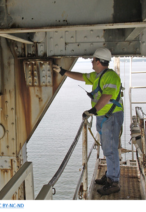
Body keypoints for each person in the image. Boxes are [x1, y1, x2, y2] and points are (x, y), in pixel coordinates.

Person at [53, 48, 124, 195]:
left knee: (110, 149)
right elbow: (81, 76)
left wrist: (92, 111)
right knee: (107, 147)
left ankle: (114, 182)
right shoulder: (99, 75)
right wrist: (63, 71)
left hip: (110, 116)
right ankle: (110, 176)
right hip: (103, 116)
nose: (91, 62)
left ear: (98, 61)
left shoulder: (110, 76)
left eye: (93, 60)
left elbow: (106, 96)